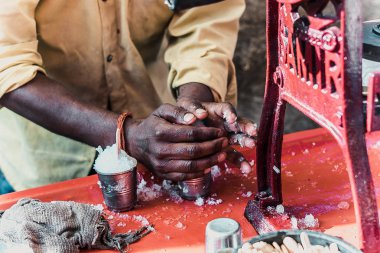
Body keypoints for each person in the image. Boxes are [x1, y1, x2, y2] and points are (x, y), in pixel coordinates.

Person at [0, 0, 256, 194]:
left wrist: (193, 104)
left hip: (158, 141)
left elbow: (204, 18)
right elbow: (7, 61)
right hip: (48, 159)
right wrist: (125, 135)